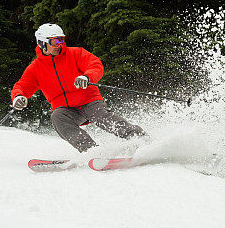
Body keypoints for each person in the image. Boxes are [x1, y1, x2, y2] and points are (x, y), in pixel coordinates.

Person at [11, 23, 147, 152]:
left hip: (89, 101)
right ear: (42, 43)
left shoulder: (75, 54)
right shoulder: (35, 68)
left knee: (101, 116)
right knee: (57, 116)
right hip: (68, 110)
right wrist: (18, 96)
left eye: (61, 40)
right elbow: (22, 86)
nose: (59, 45)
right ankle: (91, 150)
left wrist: (87, 77)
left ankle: (139, 138)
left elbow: (95, 65)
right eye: (55, 41)